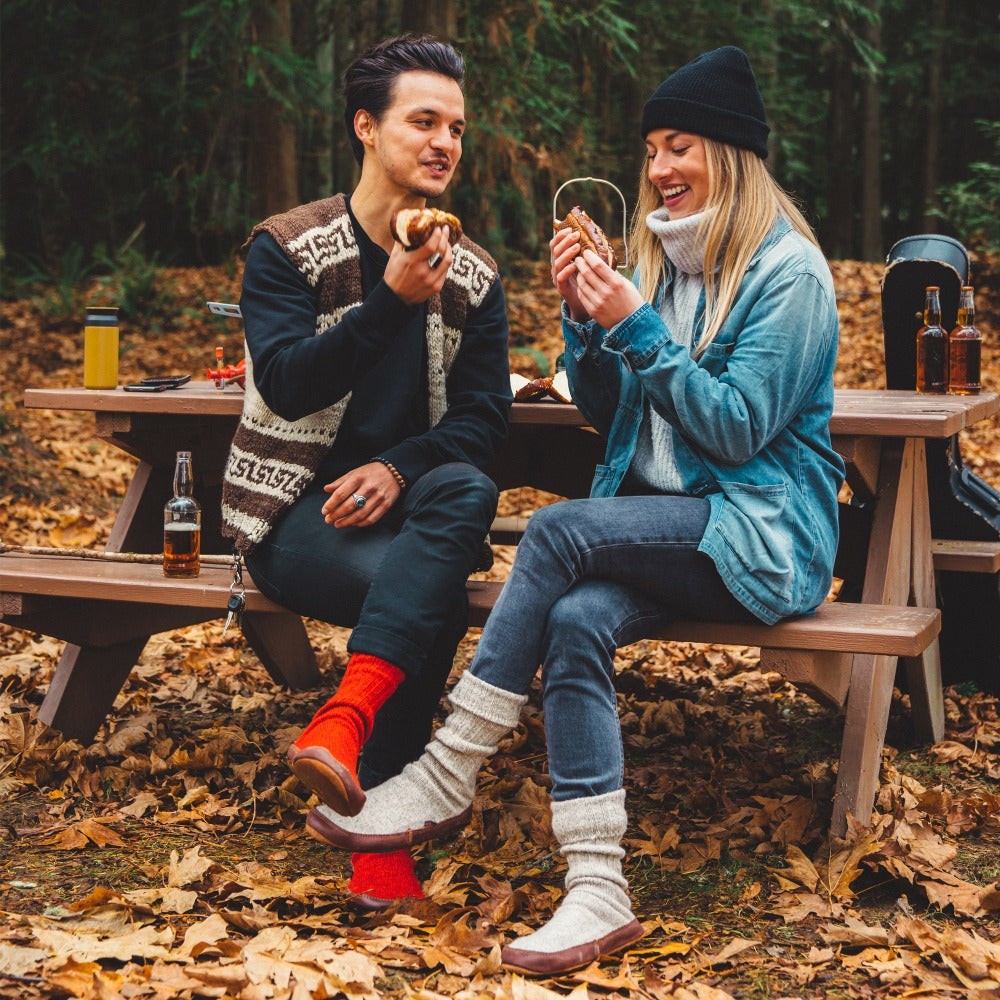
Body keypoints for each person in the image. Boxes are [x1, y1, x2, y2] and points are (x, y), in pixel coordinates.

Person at [304, 45, 845, 974]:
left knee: (553, 531)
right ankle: (598, 889)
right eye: (651, 151)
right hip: (667, 531)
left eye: (682, 147)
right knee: (574, 615)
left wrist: (632, 320)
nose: (661, 169)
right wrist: (583, 320)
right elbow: (608, 409)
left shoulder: (786, 275)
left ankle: (445, 770)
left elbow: (737, 429)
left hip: (760, 535)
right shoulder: (668, 264)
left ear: (733, 156)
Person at [219, 35, 512, 910]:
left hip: (412, 507)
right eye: (423, 121)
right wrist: (390, 301)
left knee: (465, 490)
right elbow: (286, 379)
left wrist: (395, 463)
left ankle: (347, 734)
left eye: (456, 128)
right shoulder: (288, 247)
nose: (444, 144)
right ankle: (380, 832)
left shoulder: (476, 276)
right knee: (424, 586)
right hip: (295, 513)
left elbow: (482, 424)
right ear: (365, 128)